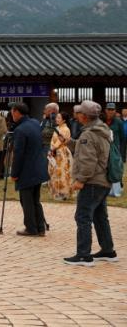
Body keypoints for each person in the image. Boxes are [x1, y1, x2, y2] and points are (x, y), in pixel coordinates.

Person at [57, 100, 117, 266]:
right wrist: (69, 141)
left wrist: (81, 180)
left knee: (83, 216)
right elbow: (88, 149)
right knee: (100, 216)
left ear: (84, 116)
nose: (76, 115)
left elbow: (88, 160)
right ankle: (108, 250)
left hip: (91, 182)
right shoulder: (102, 130)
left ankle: (83, 255)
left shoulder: (88, 134)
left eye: (78, 113)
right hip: (103, 181)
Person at [9, 102, 49, 237]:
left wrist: (14, 173)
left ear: (16, 112)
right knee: (35, 200)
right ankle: (40, 228)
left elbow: (18, 154)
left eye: (12, 111)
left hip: (27, 170)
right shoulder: (35, 123)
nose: (11, 114)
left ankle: (31, 228)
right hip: (38, 167)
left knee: (26, 201)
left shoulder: (20, 130)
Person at [48, 112, 74, 201]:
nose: (56, 119)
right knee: (54, 171)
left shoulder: (66, 129)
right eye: (57, 117)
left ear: (64, 120)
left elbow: (60, 141)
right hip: (54, 152)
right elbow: (52, 140)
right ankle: (56, 192)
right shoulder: (57, 128)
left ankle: (64, 193)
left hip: (62, 152)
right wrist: (51, 148)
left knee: (62, 171)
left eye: (59, 118)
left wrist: (53, 148)